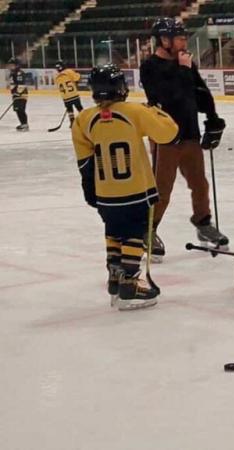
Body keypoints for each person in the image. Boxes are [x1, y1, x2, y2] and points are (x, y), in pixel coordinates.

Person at [71, 64, 179, 310]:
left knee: (113, 232)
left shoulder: (85, 119)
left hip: (106, 194)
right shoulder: (134, 112)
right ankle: (129, 285)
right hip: (136, 191)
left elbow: (85, 160)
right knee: (133, 233)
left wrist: (90, 189)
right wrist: (156, 111)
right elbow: (169, 134)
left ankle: (114, 278)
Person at [139, 17, 228, 262]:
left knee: (200, 184)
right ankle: (148, 230)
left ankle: (203, 222)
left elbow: (200, 92)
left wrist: (212, 119)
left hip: (190, 134)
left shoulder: (186, 64)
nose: (183, 41)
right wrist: (183, 69)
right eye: (179, 37)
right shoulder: (150, 67)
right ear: (164, 40)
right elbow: (169, 97)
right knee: (162, 190)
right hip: (165, 138)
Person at [54, 60, 83, 126]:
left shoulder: (56, 76)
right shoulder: (69, 71)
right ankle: (84, 119)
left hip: (65, 97)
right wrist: (78, 75)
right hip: (74, 94)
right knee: (79, 108)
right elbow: (77, 79)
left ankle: (72, 121)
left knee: (70, 110)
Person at [8, 58, 29, 131]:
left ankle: (25, 124)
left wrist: (17, 92)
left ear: (17, 65)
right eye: (10, 65)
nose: (11, 67)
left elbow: (21, 84)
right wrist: (13, 92)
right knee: (17, 109)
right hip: (15, 95)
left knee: (21, 109)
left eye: (12, 65)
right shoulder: (12, 73)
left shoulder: (19, 73)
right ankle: (22, 124)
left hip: (22, 94)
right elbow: (12, 84)